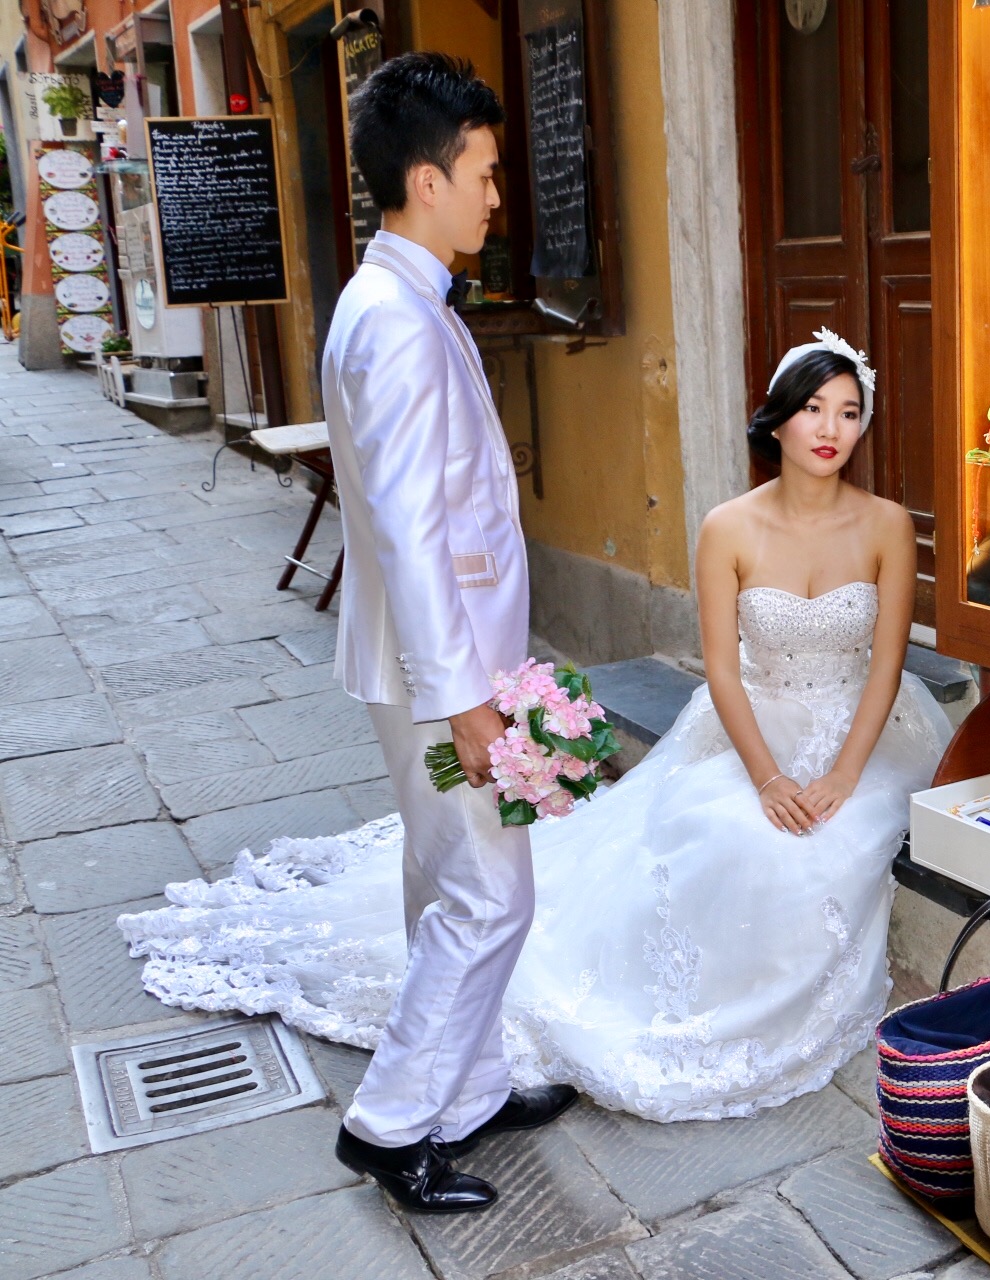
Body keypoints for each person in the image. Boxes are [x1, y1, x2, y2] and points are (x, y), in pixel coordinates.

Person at [117, 330, 951, 1166]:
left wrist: (843, 774)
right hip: (749, 731)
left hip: (864, 734)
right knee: (727, 834)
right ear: (778, 420)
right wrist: (767, 777)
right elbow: (722, 673)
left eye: (849, 412)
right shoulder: (727, 527)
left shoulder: (884, 526)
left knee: (835, 843)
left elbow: (886, 664)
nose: (830, 429)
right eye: (813, 408)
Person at [308, 53, 577, 1213]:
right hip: (439, 670)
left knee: (443, 878)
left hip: (428, 659)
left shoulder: (395, 298)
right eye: (483, 171)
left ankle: (464, 1091)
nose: (497, 194)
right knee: (490, 895)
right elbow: (415, 531)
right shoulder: (402, 322)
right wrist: (466, 697)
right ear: (426, 178)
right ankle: (390, 1120)